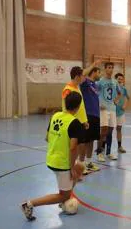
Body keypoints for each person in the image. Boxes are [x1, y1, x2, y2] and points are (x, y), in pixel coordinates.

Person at [21, 92, 85, 221]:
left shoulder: (55, 115)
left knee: (80, 168)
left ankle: (65, 196)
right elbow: (73, 148)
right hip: (62, 164)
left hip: (51, 158)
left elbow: (47, 138)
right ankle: (29, 204)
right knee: (63, 195)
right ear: (78, 107)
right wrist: (70, 167)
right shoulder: (75, 123)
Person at [79, 66, 102, 175]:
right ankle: (81, 164)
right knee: (84, 140)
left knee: (91, 140)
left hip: (96, 115)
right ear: (93, 72)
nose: (100, 74)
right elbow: (83, 74)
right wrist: (94, 64)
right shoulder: (85, 82)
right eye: (98, 72)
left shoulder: (95, 85)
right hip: (87, 115)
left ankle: (88, 162)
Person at [96, 62, 121, 162]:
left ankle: (109, 152)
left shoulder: (115, 82)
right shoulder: (100, 81)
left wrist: (116, 100)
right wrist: (98, 103)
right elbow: (94, 93)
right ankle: (99, 152)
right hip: (103, 109)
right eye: (109, 67)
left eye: (112, 68)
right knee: (103, 131)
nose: (111, 69)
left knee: (110, 131)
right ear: (105, 69)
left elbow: (119, 93)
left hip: (112, 109)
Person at [110, 72, 129, 154]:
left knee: (119, 129)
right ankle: (105, 148)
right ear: (116, 79)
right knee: (109, 130)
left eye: (121, 79)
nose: (120, 80)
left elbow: (128, 98)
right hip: (112, 111)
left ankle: (119, 146)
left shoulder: (124, 89)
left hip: (120, 112)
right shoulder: (112, 88)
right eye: (118, 79)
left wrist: (125, 105)